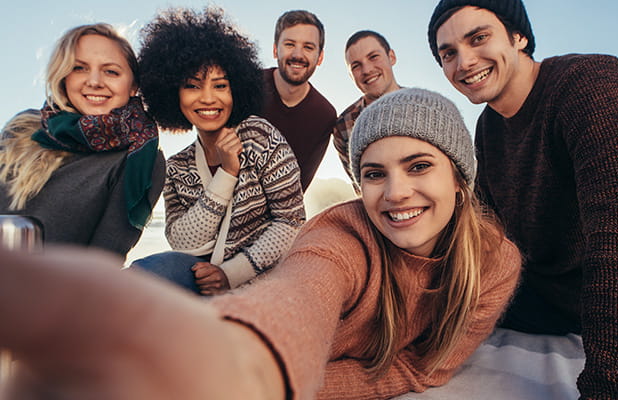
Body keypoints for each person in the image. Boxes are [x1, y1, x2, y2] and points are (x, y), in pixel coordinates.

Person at [0, 88, 520, 399]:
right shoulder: (342, 237)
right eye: (374, 174)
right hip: (233, 289)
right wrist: (243, 360)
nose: (396, 191)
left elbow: (288, 222)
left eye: (420, 166)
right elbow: (303, 286)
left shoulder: (495, 265)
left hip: (245, 276)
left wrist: (236, 275)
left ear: (460, 178)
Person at [428, 0, 618, 398]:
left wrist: (611, 388)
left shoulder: (590, 84)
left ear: (519, 36)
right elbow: (488, 239)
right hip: (547, 296)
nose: (465, 61)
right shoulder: (488, 129)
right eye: (449, 53)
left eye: (479, 38)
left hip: (610, 293)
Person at [130, 8, 305, 295]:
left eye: (220, 85)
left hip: (265, 278)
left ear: (235, 89)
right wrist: (227, 173)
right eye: (192, 86)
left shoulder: (260, 137)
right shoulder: (176, 166)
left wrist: (230, 274)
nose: (208, 98)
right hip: (198, 276)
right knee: (138, 277)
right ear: (174, 94)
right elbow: (182, 243)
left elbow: (291, 221)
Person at [0, 23, 165, 259]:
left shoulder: (140, 156)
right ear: (64, 77)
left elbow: (105, 261)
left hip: (54, 291)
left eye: (111, 71)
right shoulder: (23, 127)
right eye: (79, 68)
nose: (94, 81)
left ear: (133, 86)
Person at [260, 10, 336, 192]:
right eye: (289, 44)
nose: (297, 54)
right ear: (274, 50)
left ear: (320, 57)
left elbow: (298, 187)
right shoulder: (247, 85)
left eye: (308, 47)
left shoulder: (324, 115)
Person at [333, 30, 401, 188]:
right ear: (351, 76)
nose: (367, 70)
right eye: (356, 66)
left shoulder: (427, 107)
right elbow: (361, 188)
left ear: (391, 57)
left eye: (373, 57)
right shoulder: (344, 124)